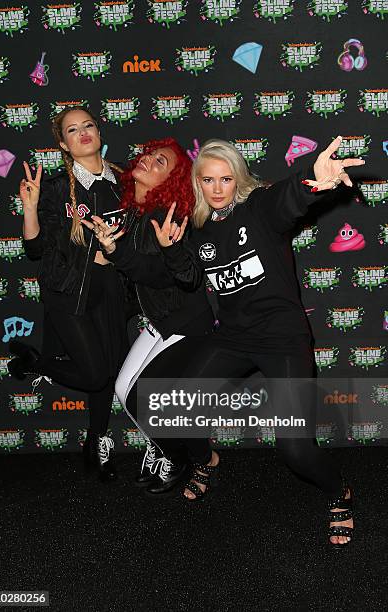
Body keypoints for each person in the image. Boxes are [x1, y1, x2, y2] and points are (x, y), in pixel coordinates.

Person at [132, 136, 364, 548]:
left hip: (282, 339)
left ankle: (339, 493)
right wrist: (170, 250)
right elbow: (187, 277)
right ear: (197, 183)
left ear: (238, 179)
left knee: (294, 450)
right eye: (208, 180)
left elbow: (286, 199)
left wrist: (313, 179)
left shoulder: (257, 210)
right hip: (236, 337)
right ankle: (206, 462)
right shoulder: (198, 228)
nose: (217, 188)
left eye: (225, 178)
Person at [8, 107, 174, 480]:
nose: (82, 133)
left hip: (113, 290)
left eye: (88, 126)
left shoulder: (125, 180)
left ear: (99, 132)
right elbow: (35, 249)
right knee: (97, 375)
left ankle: (96, 443)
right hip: (69, 290)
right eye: (72, 130)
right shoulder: (52, 187)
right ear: (63, 144)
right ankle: (37, 362)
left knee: (109, 368)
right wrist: (30, 208)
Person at [82, 138, 215, 494]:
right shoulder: (136, 211)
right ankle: (162, 446)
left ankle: (176, 454)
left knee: (141, 395)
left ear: (170, 181)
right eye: (147, 155)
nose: (146, 161)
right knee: (125, 391)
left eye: (160, 162)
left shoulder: (164, 215)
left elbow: (160, 272)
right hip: (160, 321)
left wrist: (115, 251)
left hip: (186, 325)